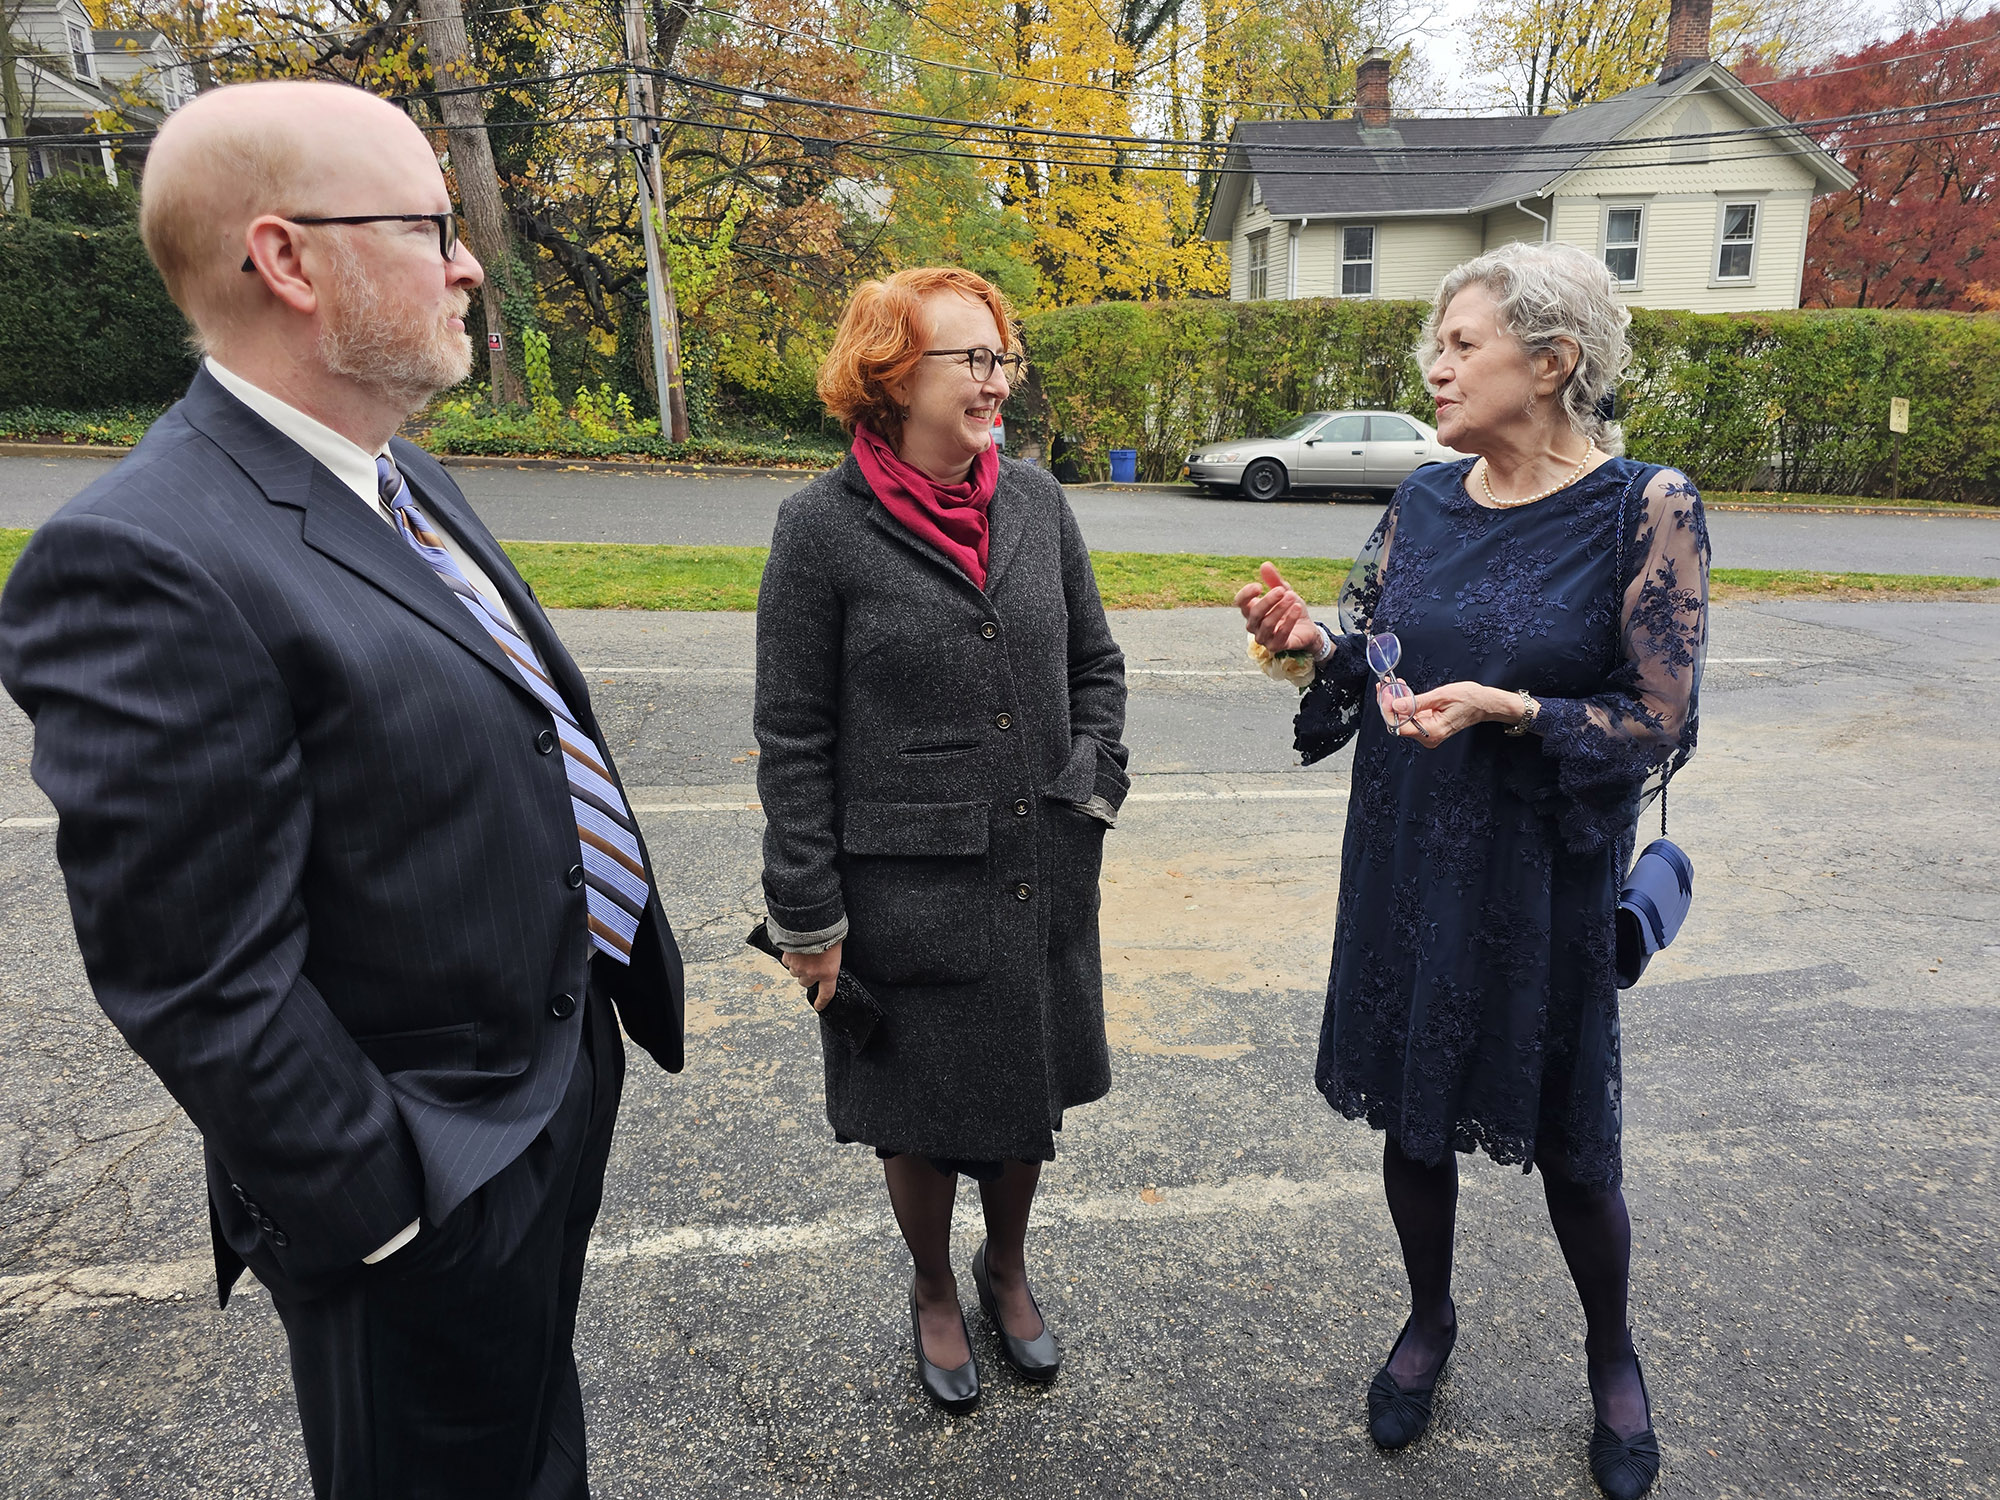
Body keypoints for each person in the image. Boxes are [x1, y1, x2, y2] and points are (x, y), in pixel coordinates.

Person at [0, 81, 685, 1498]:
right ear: (288, 259)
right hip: (423, 1172)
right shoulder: (142, 557)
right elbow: (196, 974)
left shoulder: (393, 475)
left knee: (530, 1447)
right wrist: (387, 1213)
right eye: (430, 225)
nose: (468, 262)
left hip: (546, 1081)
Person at [1236, 242, 1707, 1500]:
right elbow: (1376, 657)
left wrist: (1514, 709)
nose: (1432, 369)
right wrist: (1308, 640)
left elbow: (1659, 719)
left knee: (1572, 1145)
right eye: (1433, 346)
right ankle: (1427, 1317)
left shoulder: (1644, 507)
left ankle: (1610, 1355)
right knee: (1413, 1112)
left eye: (1460, 345)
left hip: (1538, 873)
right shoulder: (1424, 499)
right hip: (1406, 855)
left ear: (1549, 364)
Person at [754, 267, 1128, 1412]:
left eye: (1000, 356)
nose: (995, 378)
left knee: (1024, 1090)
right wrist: (807, 912)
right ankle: (930, 1285)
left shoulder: (1037, 503)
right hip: (902, 891)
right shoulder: (819, 529)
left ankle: (1003, 1270)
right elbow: (792, 734)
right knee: (913, 1110)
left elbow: (1095, 666)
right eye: (970, 358)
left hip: (1038, 869)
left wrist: (1091, 785)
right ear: (890, 376)